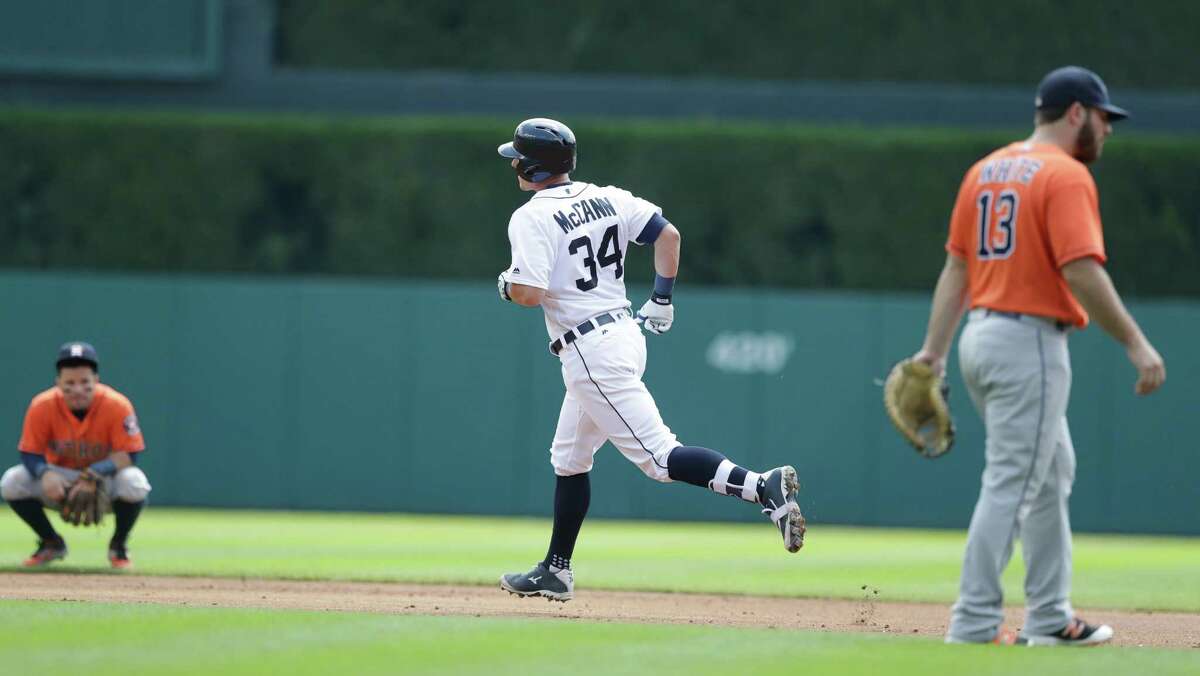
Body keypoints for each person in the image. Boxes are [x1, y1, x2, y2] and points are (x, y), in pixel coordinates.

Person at [494, 118, 806, 601]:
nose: (512, 161)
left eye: (517, 155)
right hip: (622, 332)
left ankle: (761, 487)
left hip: (589, 352)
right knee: (569, 458)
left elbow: (530, 294)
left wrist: (505, 285)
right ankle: (556, 571)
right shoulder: (610, 196)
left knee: (660, 458)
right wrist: (662, 298)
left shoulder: (530, 216)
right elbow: (669, 236)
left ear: (532, 167)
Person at [911, 66, 1165, 646]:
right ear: (1076, 112)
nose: (1107, 130)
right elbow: (1080, 269)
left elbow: (957, 267)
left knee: (1051, 474)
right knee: (1014, 481)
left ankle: (1050, 616)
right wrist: (1135, 342)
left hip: (982, 336)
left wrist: (934, 351)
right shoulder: (1064, 174)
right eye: (1104, 118)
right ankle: (974, 621)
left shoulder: (985, 169)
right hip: (1028, 344)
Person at [0, 342, 152, 568]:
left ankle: (118, 545)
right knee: (12, 482)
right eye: (70, 383)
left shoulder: (116, 405)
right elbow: (29, 452)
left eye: (84, 382)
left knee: (135, 482)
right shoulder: (42, 405)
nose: (78, 389)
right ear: (58, 383)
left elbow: (130, 453)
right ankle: (51, 542)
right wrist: (44, 473)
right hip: (60, 482)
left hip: (102, 480)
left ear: (96, 381)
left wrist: (93, 474)